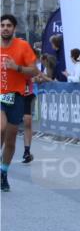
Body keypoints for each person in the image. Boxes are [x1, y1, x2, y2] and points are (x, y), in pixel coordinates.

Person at [1, 14, 40, 191]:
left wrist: (16, 68)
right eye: (2, 25)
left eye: (9, 25)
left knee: (9, 140)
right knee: (0, 127)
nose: (5, 28)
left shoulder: (22, 46)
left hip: (16, 97)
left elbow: (34, 71)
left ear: (14, 29)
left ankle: (3, 173)